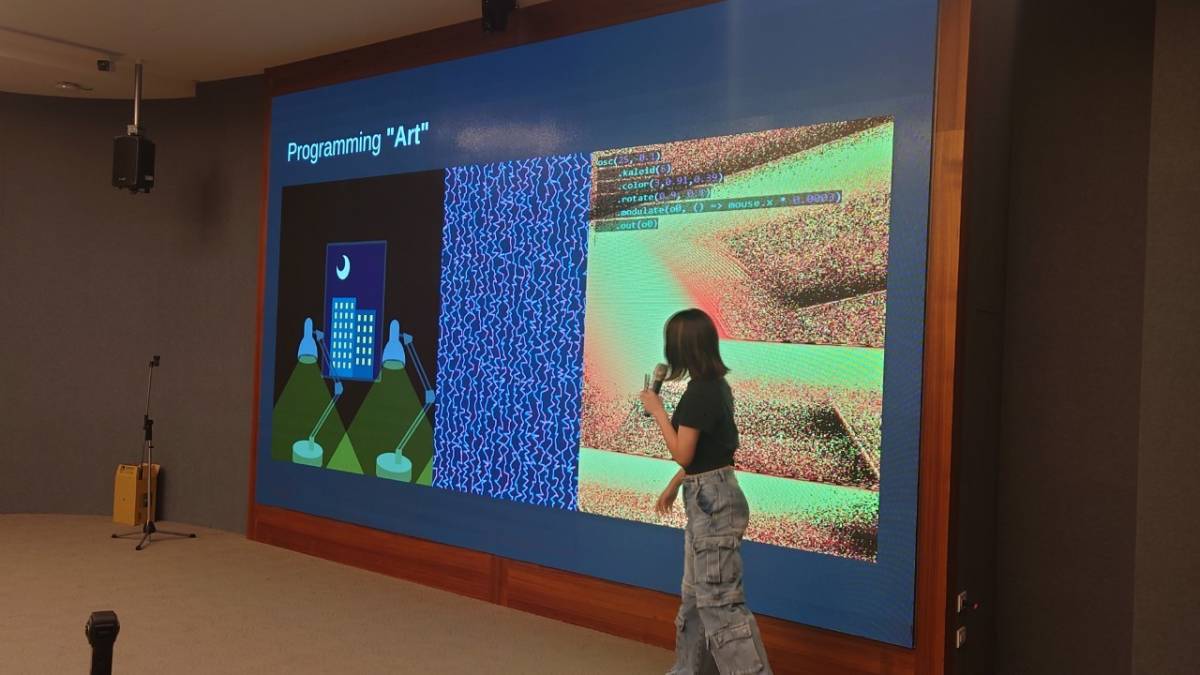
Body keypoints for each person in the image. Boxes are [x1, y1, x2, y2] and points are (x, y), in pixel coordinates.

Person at [640, 308, 772, 675]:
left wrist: (658, 410)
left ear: (682, 348)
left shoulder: (700, 392)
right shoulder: (714, 387)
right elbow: (705, 455)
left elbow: (683, 452)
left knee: (718, 603)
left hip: (712, 503)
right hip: (707, 496)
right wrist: (674, 485)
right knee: (696, 597)